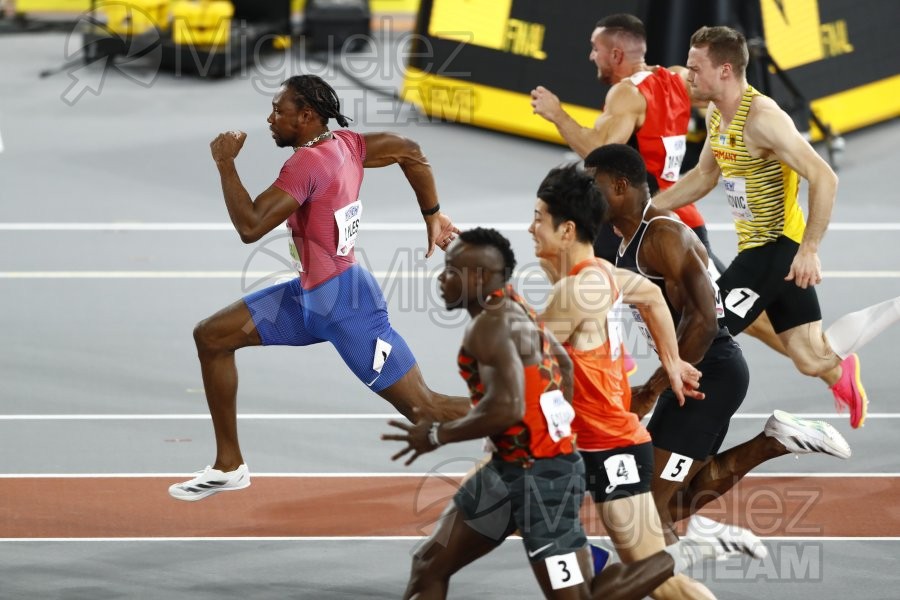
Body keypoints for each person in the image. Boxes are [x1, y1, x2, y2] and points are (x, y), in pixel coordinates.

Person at [383, 228, 757, 600]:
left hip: (545, 479)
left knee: (583, 597)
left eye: (452, 271)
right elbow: (558, 363)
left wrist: (436, 434)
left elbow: (507, 406)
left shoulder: (500, 327)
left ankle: (685, 552)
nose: (440, 278)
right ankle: (604, 556)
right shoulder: (511, 304)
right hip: (511, 466)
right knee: (429, 564)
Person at [168, 74, 468, 501]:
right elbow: (410, 150)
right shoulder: (347, 145)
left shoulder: (307, 164)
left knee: (425, 409)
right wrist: (432, 213)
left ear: (306, 116)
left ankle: (522, 413)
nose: (270, 119)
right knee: (212, 336)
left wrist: (225, 163)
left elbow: (251, 226)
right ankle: (229, 464)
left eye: (279, 111)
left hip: (346, 307)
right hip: (310, 296)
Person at [585, 143, 852, 545]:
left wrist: (656, 388)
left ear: (620, 186)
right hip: (701, 375)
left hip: (705, 377)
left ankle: (683, 571)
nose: (588, 195)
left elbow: (705, 321)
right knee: (676, 503)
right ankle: (773, 441)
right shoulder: (626, 239)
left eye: (594, 185)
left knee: (644, 514)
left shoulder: (662, 235)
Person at [651, 26, 900, 429]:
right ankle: (847, 369)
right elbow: (703, 176)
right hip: (756, 245)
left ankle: (662, 426)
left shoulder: (764, 120)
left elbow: (824, 178)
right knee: (810, 358)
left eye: (696, 68)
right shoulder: (716, 113)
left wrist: (810, 249)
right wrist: (648, 209)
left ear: (725, 70)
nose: (689, 76)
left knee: (706, 329)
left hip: (777, 246)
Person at [529, 164, 717, 600]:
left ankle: (589, 561)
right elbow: (650, 296)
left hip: (610, 446)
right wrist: (671, 362)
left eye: (539, 217)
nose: (529, 227)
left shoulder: (574, 293)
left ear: (567, 229)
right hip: (584, 445)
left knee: (664, 584)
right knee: (512, 507)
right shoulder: (600, 274)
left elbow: (524, 368)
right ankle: (582, 558)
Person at [529, 13, 717, 269]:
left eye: (596, 49)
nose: (591, 56)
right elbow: (719, 93)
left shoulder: (627, 93)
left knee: (574, 271)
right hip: (682, 211)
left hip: (636, 219)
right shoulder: (676, 79)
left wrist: (557, 115)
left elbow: (598, 152)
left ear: (616, 55)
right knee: (713, 295)